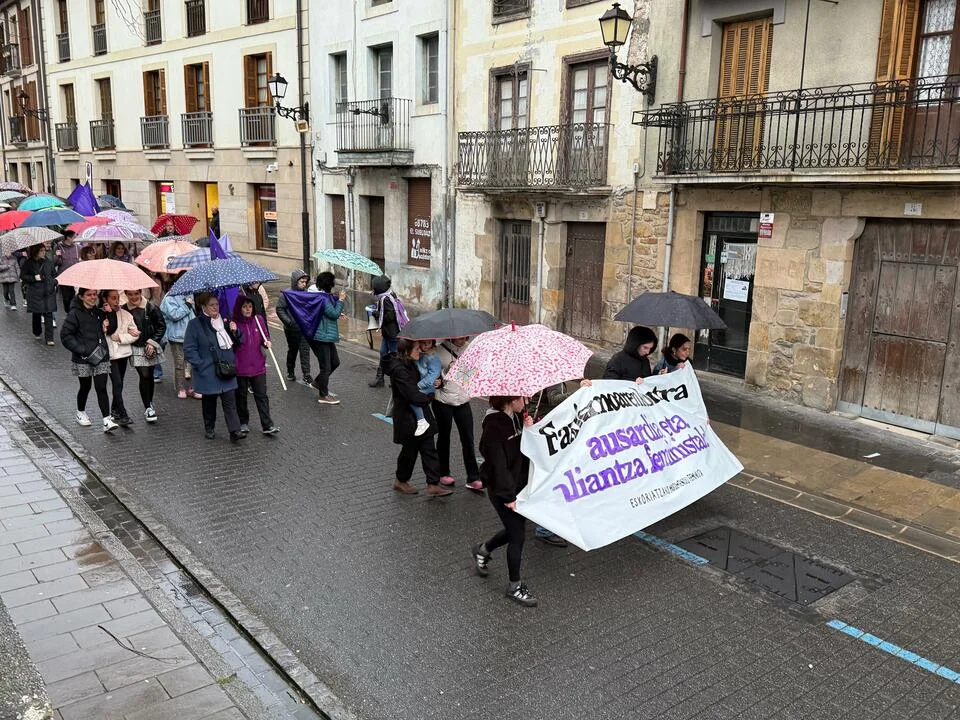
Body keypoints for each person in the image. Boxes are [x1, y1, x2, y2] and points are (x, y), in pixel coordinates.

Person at [470, 395, 537, 607]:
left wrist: (528, 429)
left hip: (518, 485)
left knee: (514, 531)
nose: (526, 401)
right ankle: (514, 586)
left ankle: (483, 550)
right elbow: (498, 465)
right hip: (502, 490)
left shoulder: (515, 417)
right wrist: (508, 496)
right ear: (511, 400)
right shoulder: (494, 426)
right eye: (522, 398)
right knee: (517, 535)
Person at [383, 339, 453, 497]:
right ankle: (401, 480)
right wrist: (428, 398)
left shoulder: (414, 361)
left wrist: (438, 383)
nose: (420, 351)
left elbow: (428, 376)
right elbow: (410, 393)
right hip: (407, 415)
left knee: (429, 447)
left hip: (421, 411)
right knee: (410, 450)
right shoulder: (399, 369)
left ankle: (433, 484)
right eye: (416, 349)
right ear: (406, 351)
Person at [183, 293, 245, 442]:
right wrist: (201, 365)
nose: (215, 307)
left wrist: (235, 331)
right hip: (208, 371)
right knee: (209, 402)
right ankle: (209, 427)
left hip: (227, 369)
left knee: (230, 402)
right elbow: (189, 349)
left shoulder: (226, 321)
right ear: (203, 306)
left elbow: (239, 342)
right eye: (211, 305)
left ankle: (235, 431)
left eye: (216, 304)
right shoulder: (195, 324)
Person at [60, 287, 118, 432]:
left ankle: (106, 420)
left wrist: (110, 313)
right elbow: (66, 336)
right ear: (81, 296)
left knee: (101, 387)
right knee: (85, 386)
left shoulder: (99, 312)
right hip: (83, 358)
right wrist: (82, 350)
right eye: (89, 295)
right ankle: (80, 412)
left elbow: (111, 330)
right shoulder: (74, 314)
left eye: (94, 294)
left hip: (100, 355)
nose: (93, 297)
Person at [433, 337, 481, 489]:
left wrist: (460, 370)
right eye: (459, 336)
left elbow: (470, 377)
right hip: (443, 400)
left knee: (468, 438)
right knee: (444, 437)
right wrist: (446, 372)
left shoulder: (470, 349)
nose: (462, 339)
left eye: (464, 336)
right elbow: (433, 378)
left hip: (463, 400)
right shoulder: (439, 350)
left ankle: (473, 477)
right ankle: (443, 472)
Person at [232, 296, 279, 435]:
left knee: (262, 396)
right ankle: (243, 422)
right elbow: (234, 343)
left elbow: (265, 336)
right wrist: (233, 331)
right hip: (241, 366)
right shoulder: (234, 323)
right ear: (239, 308)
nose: (248, 309)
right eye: (244, 307)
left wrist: (267, 342)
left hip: (258, 366)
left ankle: (267, 425)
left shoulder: (259, 320)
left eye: (250, 306)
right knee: (241, 397)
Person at [122, 288, 166, 424]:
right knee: (144, 375)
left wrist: (153, 342)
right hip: (135, 346)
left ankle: (149, 402)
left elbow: (161, 326)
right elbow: (120, 326)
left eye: (136, 293)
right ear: (126, 294)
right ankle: (148, 407)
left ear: (140, 293)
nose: (133, 297)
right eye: (130, 294)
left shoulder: (151, 307)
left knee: (149, 375)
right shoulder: (124, 309)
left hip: (149, 345)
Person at [102, 289, 138, 427]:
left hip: (123, 354)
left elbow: (135, 334)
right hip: (110, 355)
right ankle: (123, 414)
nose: (116, 301)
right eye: (113, 298)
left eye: (117, 297)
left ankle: (114, 410)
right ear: (105, 299)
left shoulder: (126, 315)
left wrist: (121, 338)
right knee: (117, 383)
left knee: (119, 384)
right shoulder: (101, 314)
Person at [308, 271, 345, 406]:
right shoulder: (322, 299)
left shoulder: (325, 297)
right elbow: (333, 314)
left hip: (327, 335)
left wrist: (338, 305)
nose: (334, 284)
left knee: (335, 362)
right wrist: (341, 300)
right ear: (328, 284)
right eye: (333, 282)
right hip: (322, 336)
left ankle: (317, 383)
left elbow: (332, 312)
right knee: (326, 367)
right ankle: (324, 395)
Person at [368, 275, 407, 387]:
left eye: (374, 287)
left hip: (392, 334)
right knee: (383, 353)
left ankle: (398, 380)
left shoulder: (386, 299)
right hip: (388, 333)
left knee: (395, 356)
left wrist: (376, 313)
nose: (373, 289)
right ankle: (380, 378)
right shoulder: (389, 295)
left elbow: (390, 316)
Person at [160, 291, 201, 399]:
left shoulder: (190, 294)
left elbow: (192, 315)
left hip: (191, 334)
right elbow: (174, 315)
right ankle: (180, 388)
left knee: (193, 362)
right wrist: (187, 305)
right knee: (179, 363)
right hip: (177, 336)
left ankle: (193, 388)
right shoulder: (169, 298)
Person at [274, 270, 312, 385]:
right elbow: (280, 309)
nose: (304, 284)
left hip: (304, 328)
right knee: (293, 350)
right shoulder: (286, 294)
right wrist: (289, 322)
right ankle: (290, 371)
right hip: (292, 329)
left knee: (305, 351)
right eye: (302, 282)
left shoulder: (306, 294)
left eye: (305, 282)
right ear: (295, 281)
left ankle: (306, 375)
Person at [20, 243, 57, 345]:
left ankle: (49, 338)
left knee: (48, 313)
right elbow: (23, 276)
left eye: (44, 250)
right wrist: (33, 278)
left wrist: (54, 282)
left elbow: (54, 274)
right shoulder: (28, 263)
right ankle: (37, 331)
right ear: (35, 251)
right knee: (37, 313)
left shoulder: (48, 262)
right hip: (35, 292)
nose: (44, 252)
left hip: (48, 292)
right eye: (41, 250)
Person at [411, 340, 441, 436]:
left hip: (427, 388)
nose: (426, 345)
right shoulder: (420, 354)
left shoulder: (433, 357)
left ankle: (421, 420)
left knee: (412, 398)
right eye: (423, 343)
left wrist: (419, 385)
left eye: (429, 343)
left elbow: (433, 376)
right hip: (420, 384)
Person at [54, 232, 80, 317]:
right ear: (68, 237)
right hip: (64, 276)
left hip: (76, 275)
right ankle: (68, 312)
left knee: (75, 296)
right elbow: (55, 263)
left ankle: (73, 314)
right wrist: (57, 256)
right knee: (66, 297)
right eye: (74, 237)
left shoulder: (78, 247)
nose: (76, 239)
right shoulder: (58, 246)